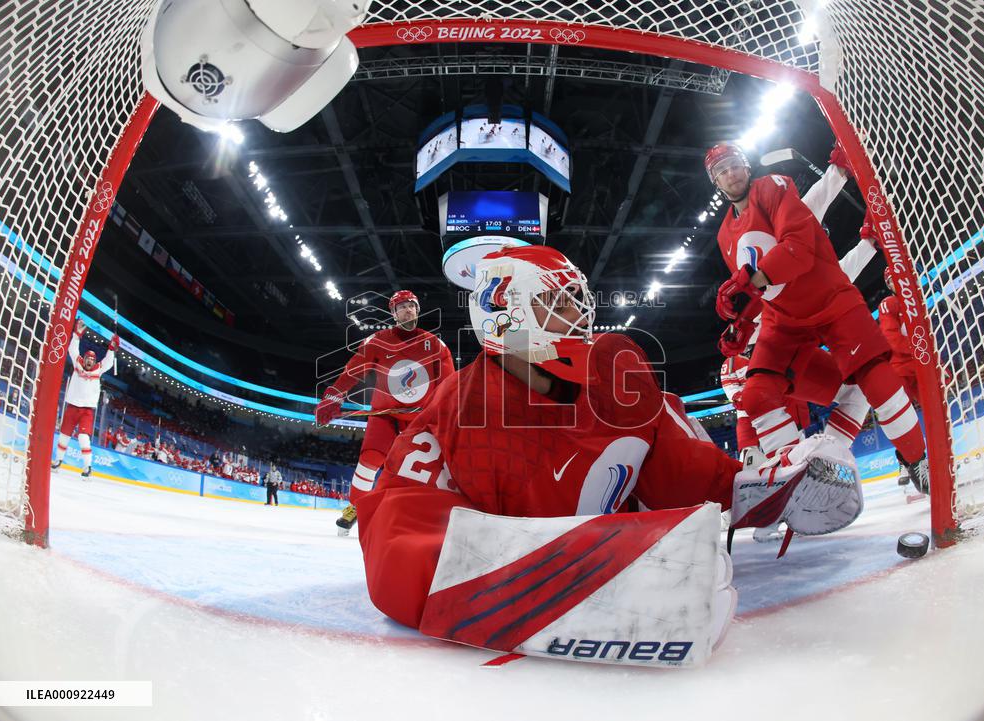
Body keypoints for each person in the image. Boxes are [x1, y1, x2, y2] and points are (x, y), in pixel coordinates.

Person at [355, 245, 863, 667]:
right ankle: (592, 575)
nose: (581, 316)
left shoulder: (610, 373)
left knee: (653, 403)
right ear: (505, 316)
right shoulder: (466, 400)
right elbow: (401, 536)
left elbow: (665, 455)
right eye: (559, 303)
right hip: (472, 523)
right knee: (408, 549)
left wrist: (744, 488)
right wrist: (605, 581)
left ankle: (744, 492)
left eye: (578, 301)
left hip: (589, 514)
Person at [706, 142, 929, 493]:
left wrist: (839, 171)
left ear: (746, 167)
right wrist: (742, 321)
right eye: (721, 171)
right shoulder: (724, 234)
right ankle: (803, 481)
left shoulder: (774, 187)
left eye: (734, 165)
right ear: (715, 182)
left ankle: (916, 460)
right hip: (784, 321)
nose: (730, 174)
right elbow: (754, 290)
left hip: (829, 301)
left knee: (874, 379)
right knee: (756, 395)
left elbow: (796, 250)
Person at [316, 290, 455, 536]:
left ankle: (433, 514)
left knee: (429, 468)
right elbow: (352, 372)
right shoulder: (377, 341)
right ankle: (356, 507)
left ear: (418, 310)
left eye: (411, 305)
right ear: (393, 313)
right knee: (370, 458)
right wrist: (333, 397)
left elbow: (449, 386)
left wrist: (450, 414)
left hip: (421, 419)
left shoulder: (436, 345)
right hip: (385, 414)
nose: (407, 310)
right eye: (400, 307)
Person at [50, 319, 118, 479]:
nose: (89, 361)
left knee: (83, 438)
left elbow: (108, 361)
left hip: (87, 410)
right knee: (64, 435)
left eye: (92, 360)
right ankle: (58, 461)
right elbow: (73, 350)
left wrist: (112, 348)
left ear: (94, 361)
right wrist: (76, 335)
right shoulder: (78, 363)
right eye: (87, 358)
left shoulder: (98, 369)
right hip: (72, 406)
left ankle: (87, 467)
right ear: (85, 358)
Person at [877, 267, 924, 485]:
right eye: (891, 280)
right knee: (902, 416)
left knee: (936, 409)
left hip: (921, 364)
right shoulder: (889, 303)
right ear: (889, 284)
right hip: (900, 367)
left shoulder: (918, 303)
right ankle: (905, 462)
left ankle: (941, 455)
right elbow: (891, 338)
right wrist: (918, 349)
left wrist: (937, 364)